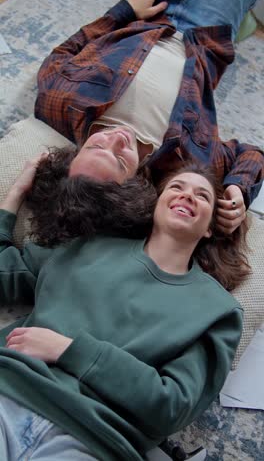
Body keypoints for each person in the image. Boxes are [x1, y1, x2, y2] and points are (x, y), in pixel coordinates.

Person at [0, 156, 246, 460]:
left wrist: (69, 350)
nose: (187, 195)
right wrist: (14, 196)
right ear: (157, 204)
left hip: (93, 441)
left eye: (202, 195)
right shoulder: (90, 244)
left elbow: (172, 406)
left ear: (210, 228)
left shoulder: (219, 312)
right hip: (11, 390)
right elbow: (4, 275)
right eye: (177, 187)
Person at [34, 0, 264, 235]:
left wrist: (124, 11)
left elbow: (61, 56)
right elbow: (250, 155)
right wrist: (238, 189)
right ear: (135, 183)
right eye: (121, 160)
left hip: (148, 16)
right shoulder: (184, 160)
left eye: (96, 147)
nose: (116, 138)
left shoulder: (60, 104)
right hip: (205, 35)